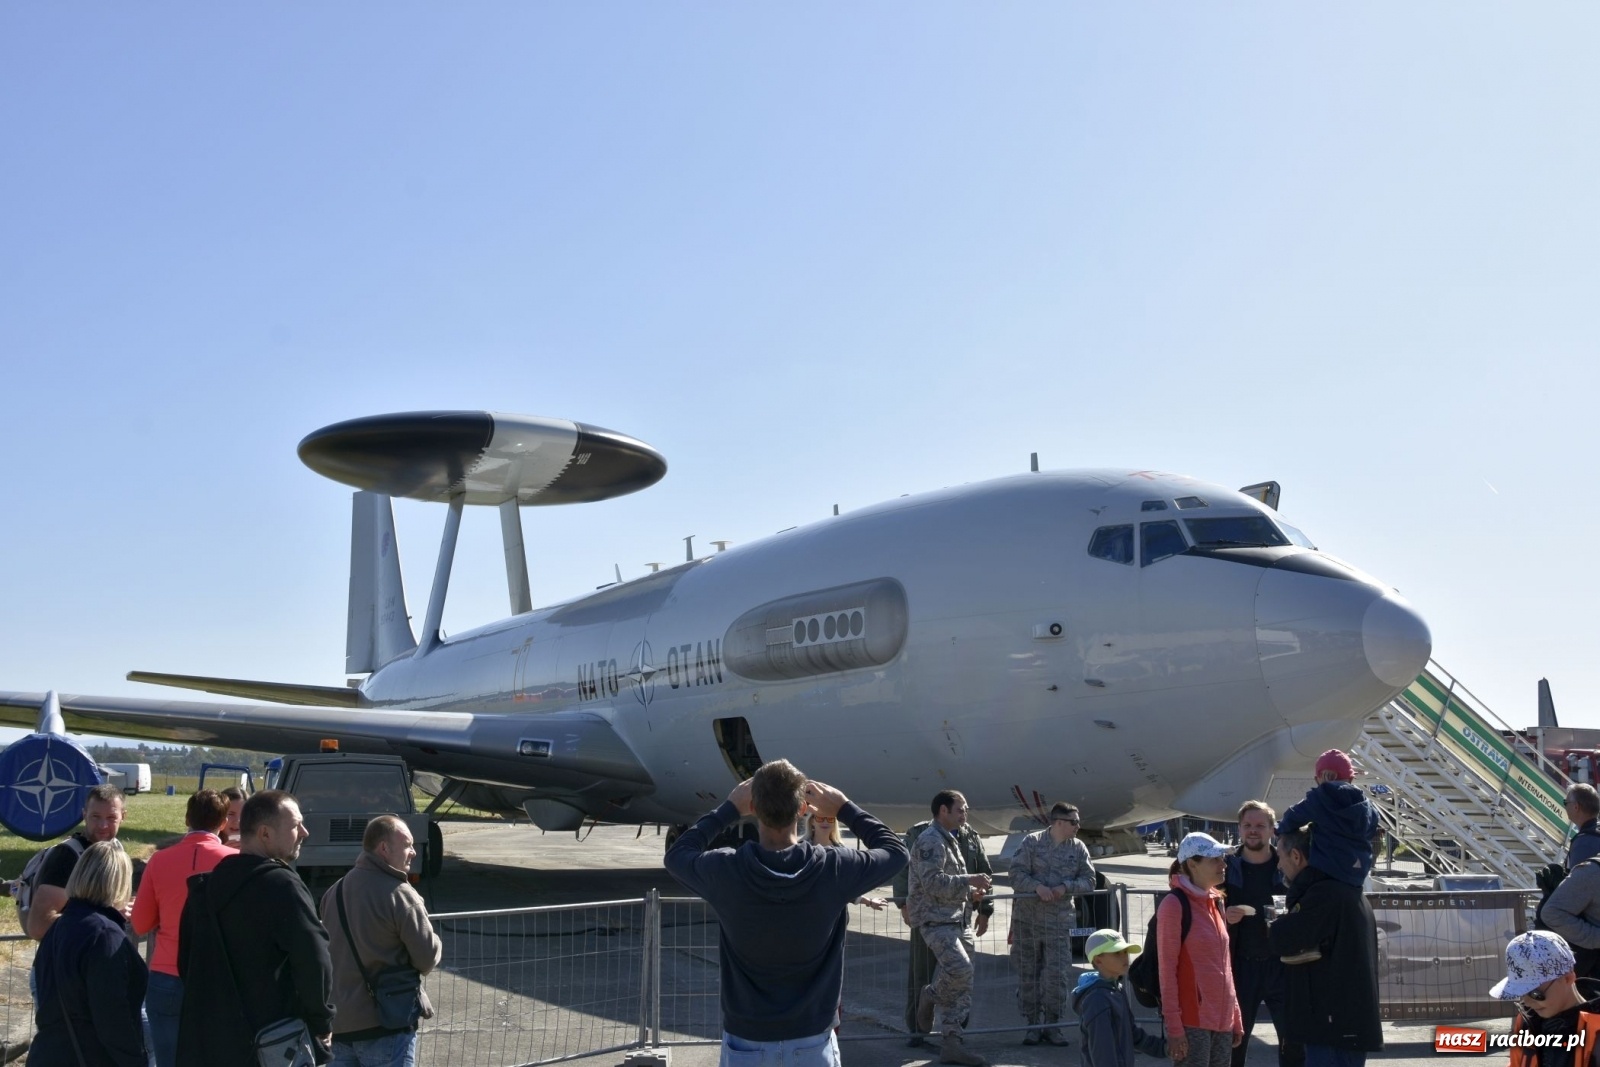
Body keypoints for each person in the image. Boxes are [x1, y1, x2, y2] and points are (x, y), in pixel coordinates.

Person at [663, 759, 907, 1067]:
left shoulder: (727, 870)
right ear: (804, 809)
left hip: (746, 1041)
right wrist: (843, 807)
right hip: (812, 1039)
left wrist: (728, 809)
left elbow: (676, 856)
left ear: (752, 807)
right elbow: (896, 851)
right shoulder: (833, 868)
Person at [176, 789, 334, 1067]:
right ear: (265, 834)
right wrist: (321, 1020)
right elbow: (314, 958)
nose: (305, 832)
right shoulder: (282, 885)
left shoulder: (205, 887)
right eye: (296, 825)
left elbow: (186, 962)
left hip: (212, 1042)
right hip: (271, 1043)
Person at [320, 815, 442, 1067]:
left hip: (340, 1025)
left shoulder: (334, 892)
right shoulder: (400, 895)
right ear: (384, 849)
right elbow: (426, 958)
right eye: (408, 845)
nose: (413, 853)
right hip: (385, 1024)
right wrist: (437, 942)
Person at [131, 789, 232, 1067]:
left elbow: (140, 923)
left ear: (187, 819)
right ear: (223, 823)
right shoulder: (233, 862)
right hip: (216, 976)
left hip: (167, 974)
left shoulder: (159, 861)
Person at [1267, 829, 1382, 1067]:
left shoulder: (1325, 893)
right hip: (1341, 1023)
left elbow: (1285, 939)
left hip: (1333, 1027)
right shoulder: (1343, 887)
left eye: (1280, 856)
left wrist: (1275, 925)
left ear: (1296, 856)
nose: (1278, 865)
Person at [33, 840, 149, 1067]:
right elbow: (111, 1016)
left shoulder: (58, 927)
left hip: (48, 1053)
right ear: (119, 882)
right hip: (91, 1056)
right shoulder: (104, 935)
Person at [892, 807, 993, 1048]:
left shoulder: (971, 837)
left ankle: (955, 1031)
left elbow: (985, 873)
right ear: (943, 811)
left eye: (967, 809)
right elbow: (903, 870)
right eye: (960, 809)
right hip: (928, 918)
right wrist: (902, 904)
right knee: (921, 973)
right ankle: (917, 1030)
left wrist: (985, 910)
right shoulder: (921, 833)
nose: (965, 813)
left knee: (961, 975)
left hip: (960, 917)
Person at [1221, 801, 1300, 1067]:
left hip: (1283, 966)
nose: (1253, 831)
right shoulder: (1226, 866)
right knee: (1235, 1043)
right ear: (1240, 829)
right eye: (1248, 826)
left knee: (1293, 1042)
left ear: (1272, 830)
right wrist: (1225, 916)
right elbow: (1207, 909)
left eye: (1260, 826)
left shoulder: (1288, 864)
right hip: (1241, 967)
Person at [1011, 801, 1096, 1045]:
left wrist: (1065, 887)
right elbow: (1016, 874)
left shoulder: (1078, 848)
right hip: (1027, 922)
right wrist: (1036, 887)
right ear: (1059, 822)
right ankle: (1032, 1024)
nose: (1078, 826)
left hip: (1058, 924)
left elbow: (1089, 880)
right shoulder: (1032, 843)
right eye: (1074, 822)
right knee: (1029, 974)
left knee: (1056, 976)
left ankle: (1053, 1025)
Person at [1158, 832, 1242, 1067]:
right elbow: (1167, 972)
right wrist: (1174, 1027)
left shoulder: (1216, 901)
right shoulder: (1174, 905)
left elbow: (1225, 966)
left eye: (1222, 858)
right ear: (1192, 864)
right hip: (1193, 1021)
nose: (1223, 864)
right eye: (1214, 859)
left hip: (1222, 1020)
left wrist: (1235, 1016)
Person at [27, 783, 129, 941]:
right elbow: (38, 926)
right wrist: (107, 916)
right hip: (64, 960)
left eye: (111, 818)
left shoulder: (117, 850)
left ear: (123, 816)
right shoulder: (66, 857)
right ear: (84, 814)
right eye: (95, 817)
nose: (103, 825)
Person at [1490, 930, 1600, 1067]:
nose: (1527, 1002)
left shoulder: (1596, 1030)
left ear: (1568, 978)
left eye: (1535, 993)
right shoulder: (1526, 1022)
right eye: (1521, 992)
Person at [1274, 750, 1377, 889]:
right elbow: (1372, 829)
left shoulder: (1320, 798)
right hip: (1358, 875)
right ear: (1351, 779)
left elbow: (1293, 816)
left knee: (1297, 891)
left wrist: (1279, 830)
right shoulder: (1368, 807)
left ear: (1317, 780)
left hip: (1326, 872)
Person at [1071, 928, 1167, 1067]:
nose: (1124, 957)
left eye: (1125, 952)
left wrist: (1164, 1049)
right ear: (1098, 961)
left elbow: (1133, 1034)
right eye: (1117, 953)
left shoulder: (1117, 990)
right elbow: (1102, 1052)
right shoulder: (1097, 1000)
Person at [804, 814, 888, 910]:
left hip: (836, 915)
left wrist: (868, 901)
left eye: (830, 819)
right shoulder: (800, 850)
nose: (825, 822)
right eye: (820, 818)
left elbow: (846, 887)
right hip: (806, 912)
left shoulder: (842, 852)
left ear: (834, 823)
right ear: (812, 821)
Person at [1567, 786, 1600, 869]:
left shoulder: (1583, 843)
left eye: (1565, 802)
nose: (1565, 806)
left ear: (1576, 807)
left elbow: (1578, 881)